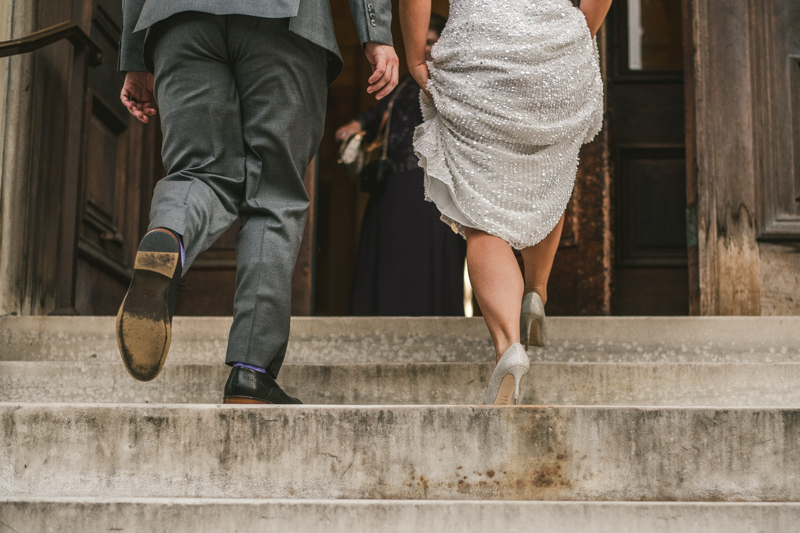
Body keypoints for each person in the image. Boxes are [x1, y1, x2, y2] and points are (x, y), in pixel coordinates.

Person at [116, 0, 399, 404]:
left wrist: (134, 53)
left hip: (179, 19)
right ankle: (251, 372)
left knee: (197, 171)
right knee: (274, 194)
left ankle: (170, 235)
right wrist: (375, 34)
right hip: (283, 20)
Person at [400, 0, 611, 404]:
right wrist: (575, 33)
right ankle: (535, 290)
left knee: (481, 215)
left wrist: (414, 57)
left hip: (478, 48)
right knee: (547, 173)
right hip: (557, 47)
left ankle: (509, 345)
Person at [336, 14, 466, 317]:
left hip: (432, 181)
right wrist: (356, 124)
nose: (430, 49)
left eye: (435, 42)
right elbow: (381, 108)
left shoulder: (454, 78)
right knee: (393, 253)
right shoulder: (409, 79)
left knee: (425, 254)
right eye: (426, 42)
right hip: (396, 180)